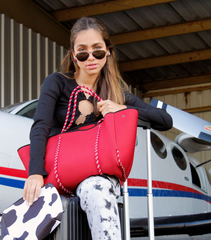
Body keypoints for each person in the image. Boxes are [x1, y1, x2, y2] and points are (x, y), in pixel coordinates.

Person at [23, 17, 172, 240]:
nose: (90, 58)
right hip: (61, 170)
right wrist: (35, 172)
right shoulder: (58, 83)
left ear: (108, 52)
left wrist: (120, 108)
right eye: (82, 52)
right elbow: (40, 125)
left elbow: (165, 120)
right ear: (73, 55)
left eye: (97, 51)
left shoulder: (117, 94)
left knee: (96, 187)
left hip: (98, 174)